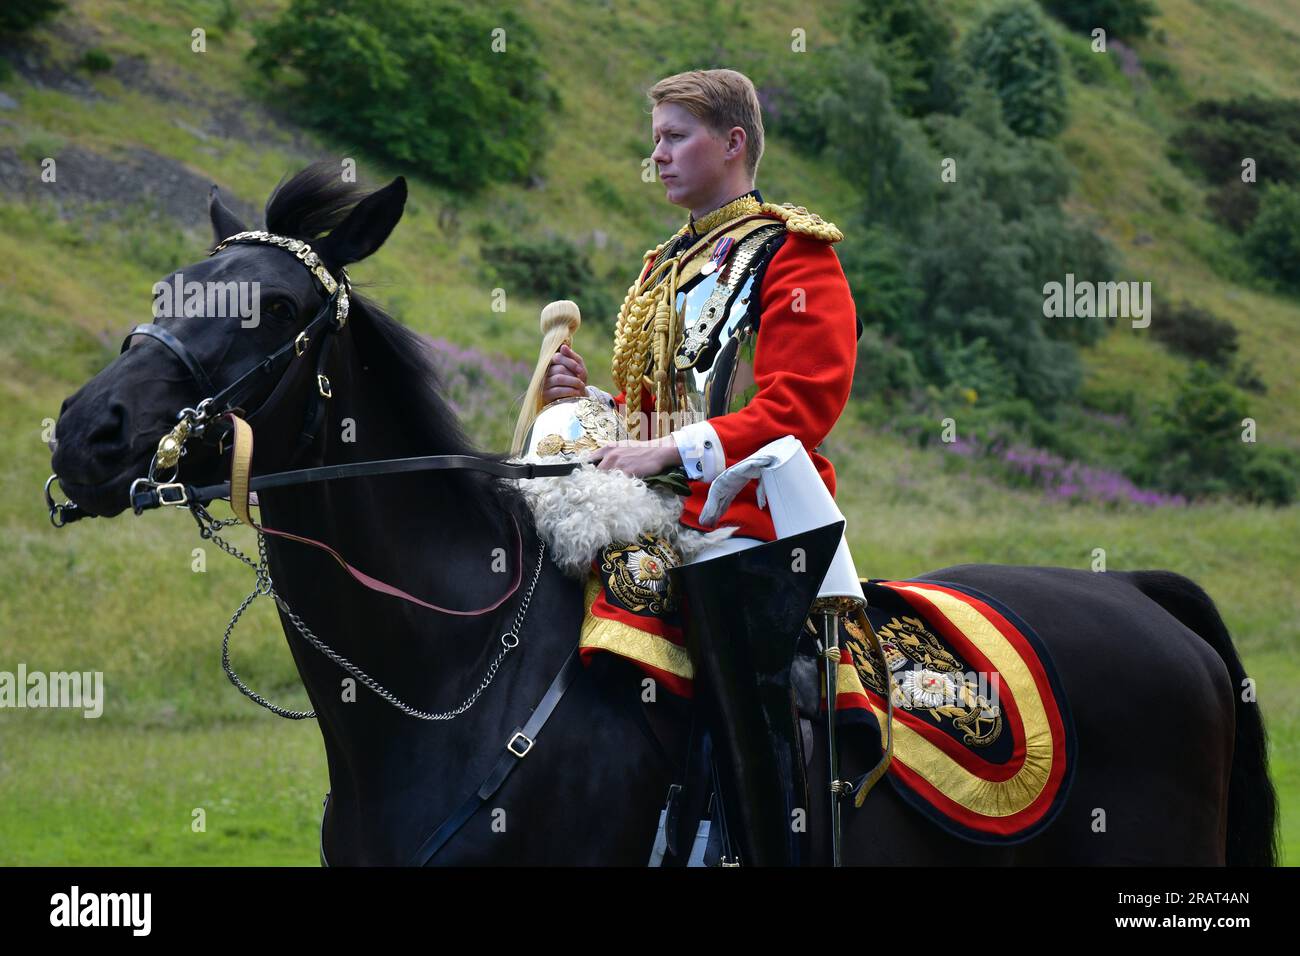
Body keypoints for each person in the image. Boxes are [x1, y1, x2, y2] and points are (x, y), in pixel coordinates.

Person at [542, 68, 860, 865]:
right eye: (654, 140)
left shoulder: (795, 255)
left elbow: (799, 410)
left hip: (754, 519)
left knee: (744, 678)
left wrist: (664, 448)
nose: (659, 156)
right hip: (659, 506)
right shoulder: (662, 266)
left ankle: (760, 845)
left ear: (733, 142)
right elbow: (663, 411)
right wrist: (601, 405)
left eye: (675, 137)